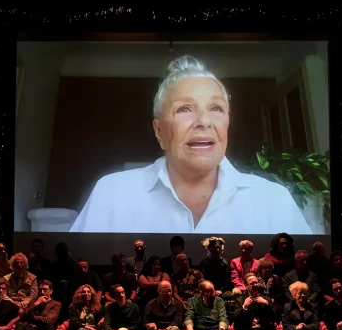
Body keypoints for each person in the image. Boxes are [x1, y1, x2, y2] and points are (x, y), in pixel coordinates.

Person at [69, 55, 312, 234]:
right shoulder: (112, 194)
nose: (204, 122)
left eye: (216, 108)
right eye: (184, 109)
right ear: (159, 131)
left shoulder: (274, 201)